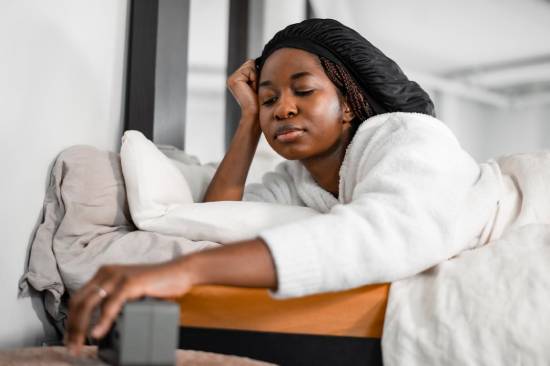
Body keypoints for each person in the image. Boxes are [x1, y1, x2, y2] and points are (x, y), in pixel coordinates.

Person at [65, 18, 503, 353]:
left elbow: (381, 232)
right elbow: (215, 220)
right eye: (270, 98)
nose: (283, 109)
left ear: (348, 103)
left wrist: (184, 270)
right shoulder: (297, 179)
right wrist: (249, 122)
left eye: (303, 91)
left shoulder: (410, 137)